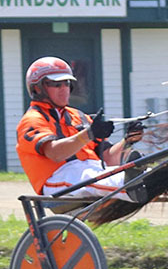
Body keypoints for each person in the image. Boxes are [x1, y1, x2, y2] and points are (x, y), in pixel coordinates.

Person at [16, 57, 146, 202]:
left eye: (67, 83)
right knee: (96, 178)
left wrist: (127, 141)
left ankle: (164, 179)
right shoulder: (32, 119)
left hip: (93, 172)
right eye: (56, 84)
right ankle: (130, 185)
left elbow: (108, 159)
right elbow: (55, 153)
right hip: (58, 180)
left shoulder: (78, 116)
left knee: (149, 175)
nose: (64, 89)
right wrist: (88, 134)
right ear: (37, 88)